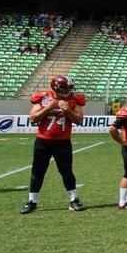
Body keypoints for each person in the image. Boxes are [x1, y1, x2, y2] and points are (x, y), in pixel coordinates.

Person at [21, 75, 86, 214]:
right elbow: (33, 118)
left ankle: (74, 199)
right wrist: (49, 108)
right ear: (56, 88)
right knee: (38, 172)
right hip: (43, 141)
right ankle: (32, 201)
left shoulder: (75, 99)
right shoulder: (43, 97)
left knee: (66, 171)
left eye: (69, 88)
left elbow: (80, 120)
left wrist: (67, 110)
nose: (68, 91)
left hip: (63, 142)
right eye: (65, 89)